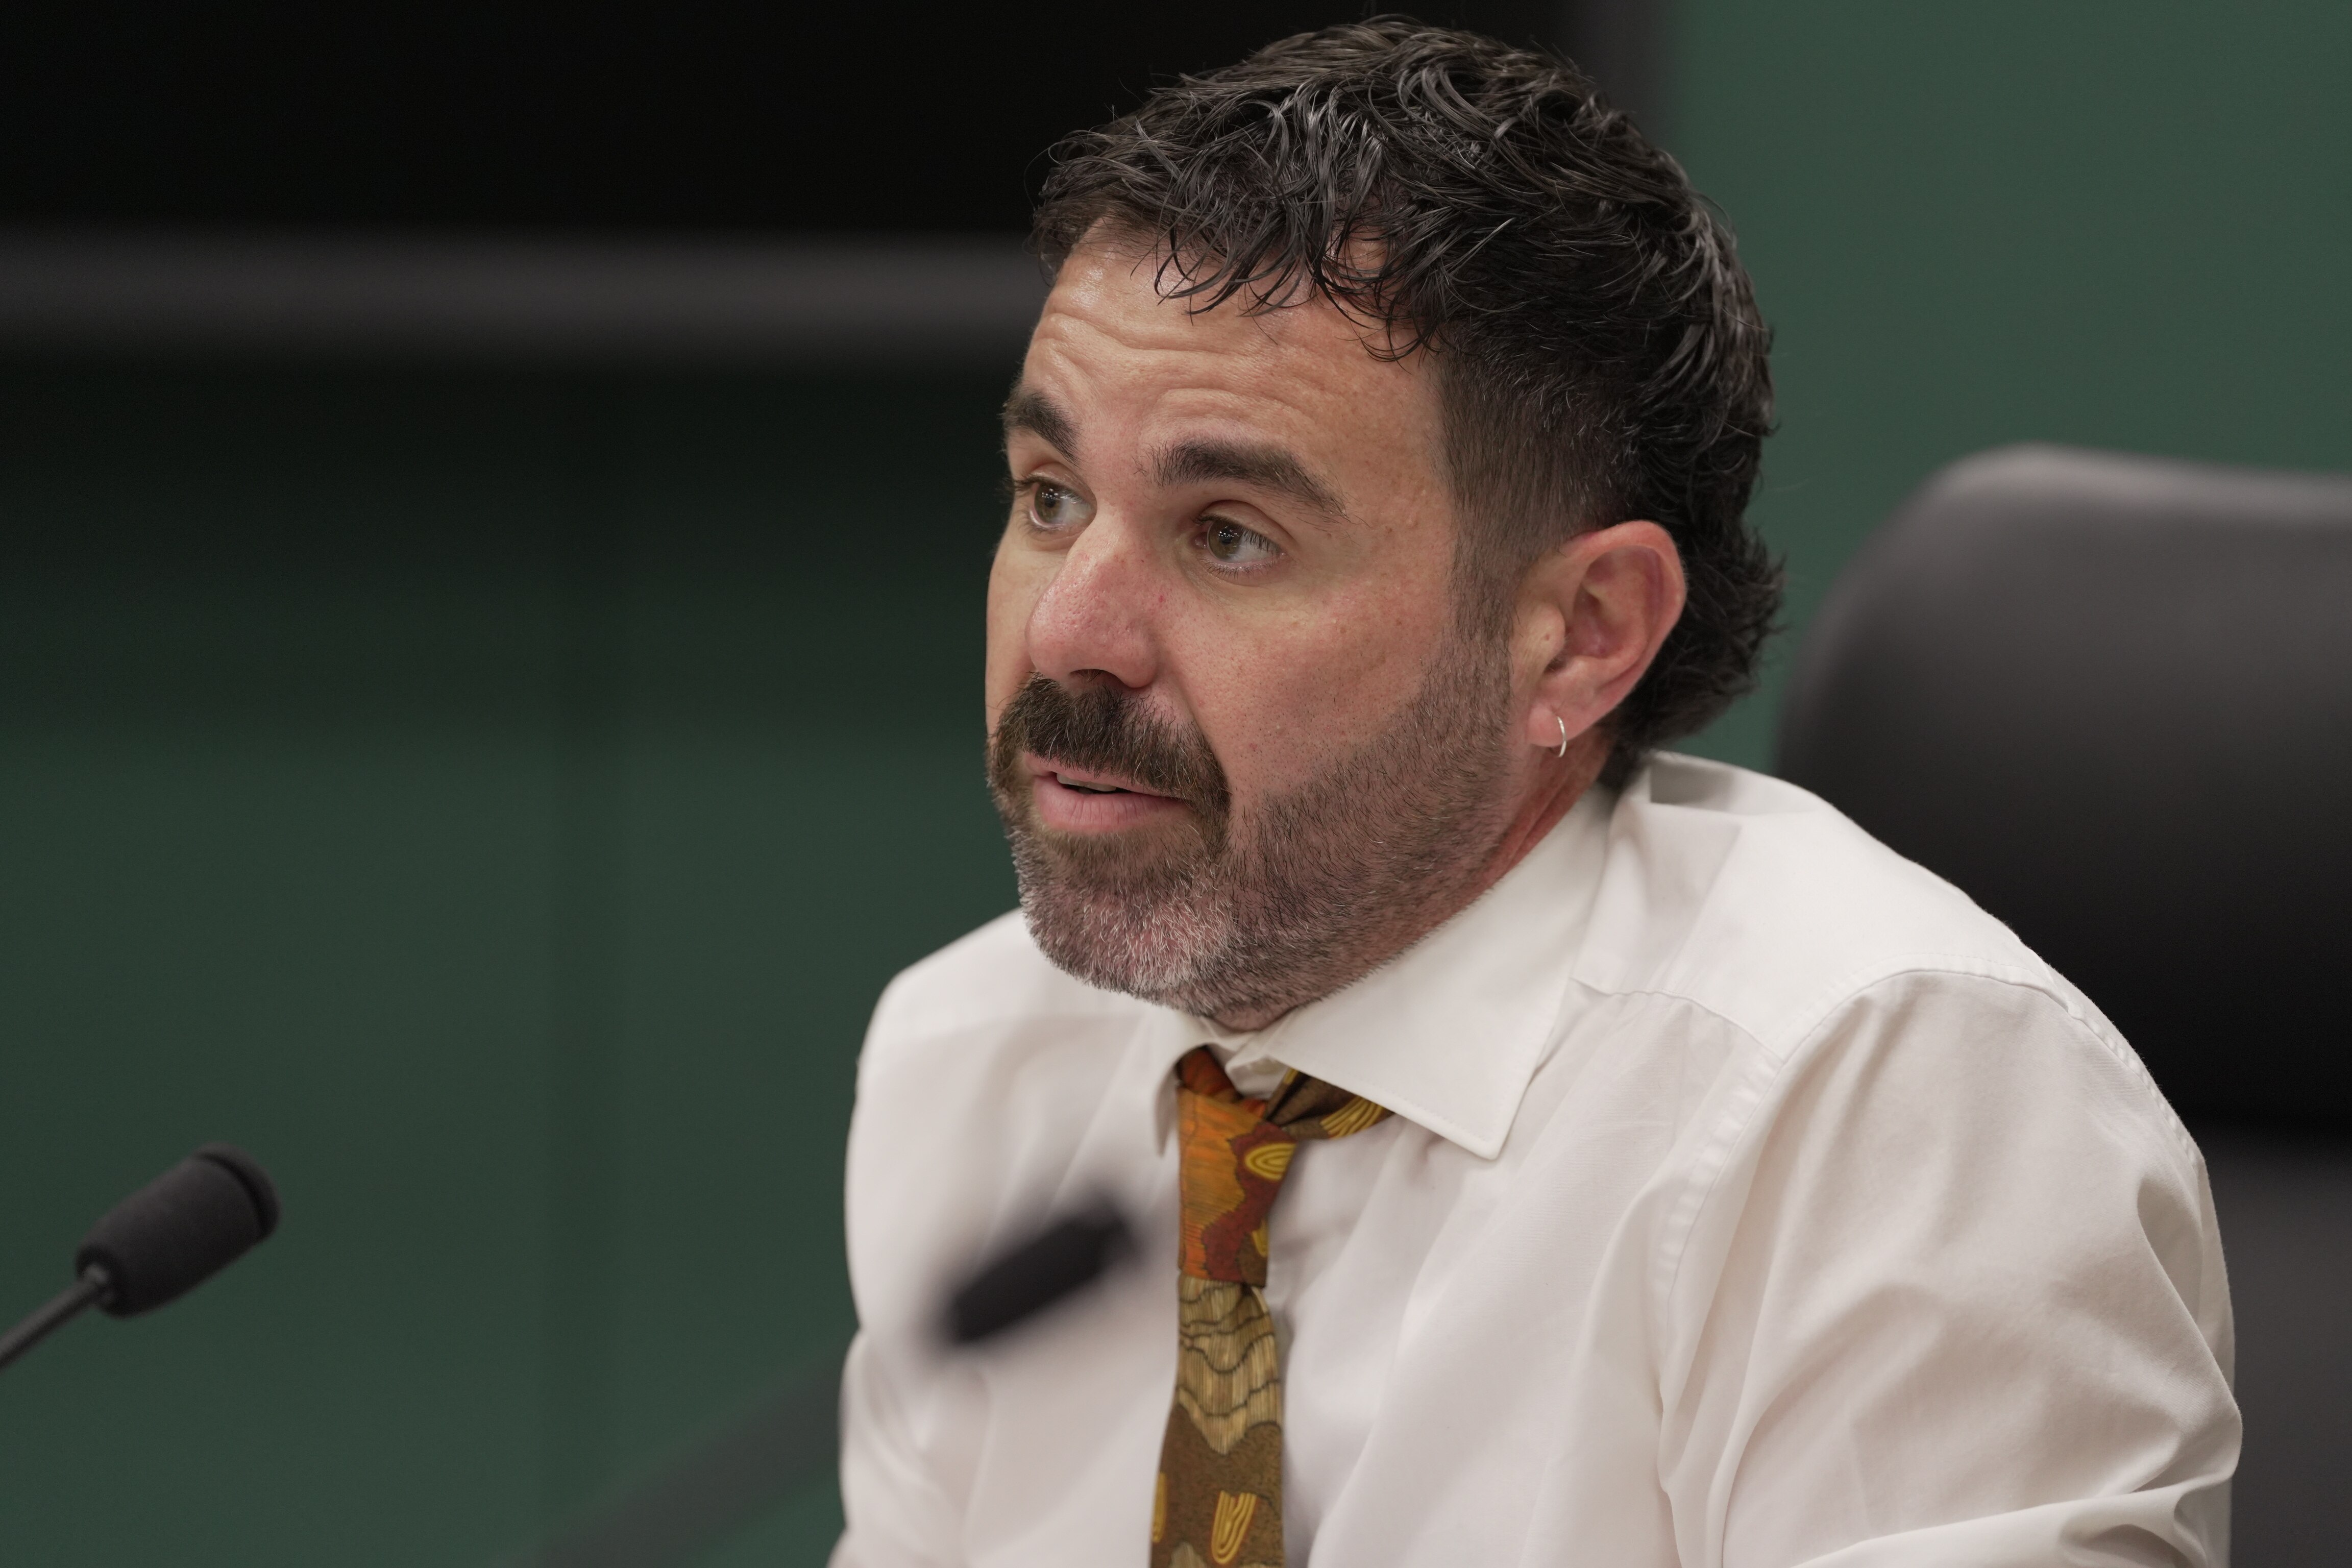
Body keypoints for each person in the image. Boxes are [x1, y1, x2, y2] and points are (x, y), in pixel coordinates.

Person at [831, 21, 2236, 1567]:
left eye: (1227, 533)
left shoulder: (1889, 1102)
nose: (1068, 633)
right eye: (1051, 500)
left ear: (1580, 636)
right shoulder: (975, 1060)